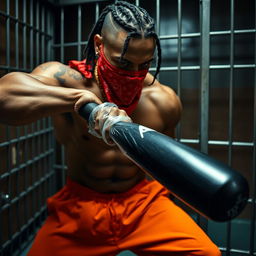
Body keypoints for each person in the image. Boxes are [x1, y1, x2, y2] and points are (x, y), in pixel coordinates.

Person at [0, 1, 221, 255]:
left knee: (207, 253)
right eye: (124, 64)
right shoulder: (66, 80)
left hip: (142, 204)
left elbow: (163, 169)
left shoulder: (163, 100)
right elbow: (4, 97)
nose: (135, 74)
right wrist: (76, 101)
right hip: (81, 207)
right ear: (98, 45)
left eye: (145, 64)